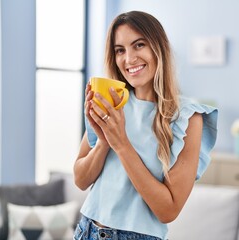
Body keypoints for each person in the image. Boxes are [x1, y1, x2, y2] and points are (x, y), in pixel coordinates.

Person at [73, 11, 218, 240]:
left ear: (158, 48)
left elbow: (168, 210)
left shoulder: (188, 117)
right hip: (87, 231)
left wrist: (121, 144)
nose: (129, 59)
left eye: (139, 45)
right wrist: (103, 141)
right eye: (120, 50)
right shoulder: (112, 101)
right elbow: (81, 180)